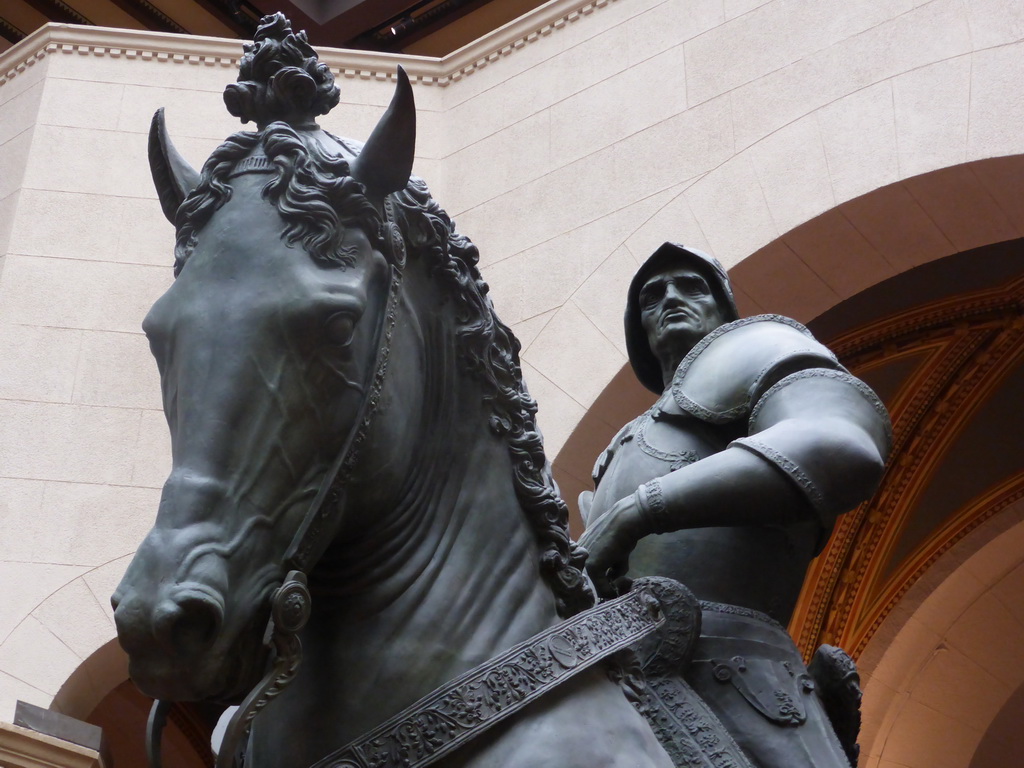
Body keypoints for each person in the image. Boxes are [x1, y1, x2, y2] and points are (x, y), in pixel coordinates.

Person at [578, 242, 891, 768]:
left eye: (691, 286)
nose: (670, 298)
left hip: (744, 679)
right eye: (652, 296)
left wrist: (639, 510)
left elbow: (842, 445)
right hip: (615, 679)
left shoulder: (759, 349)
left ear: (723, 310)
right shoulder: (624, 444)